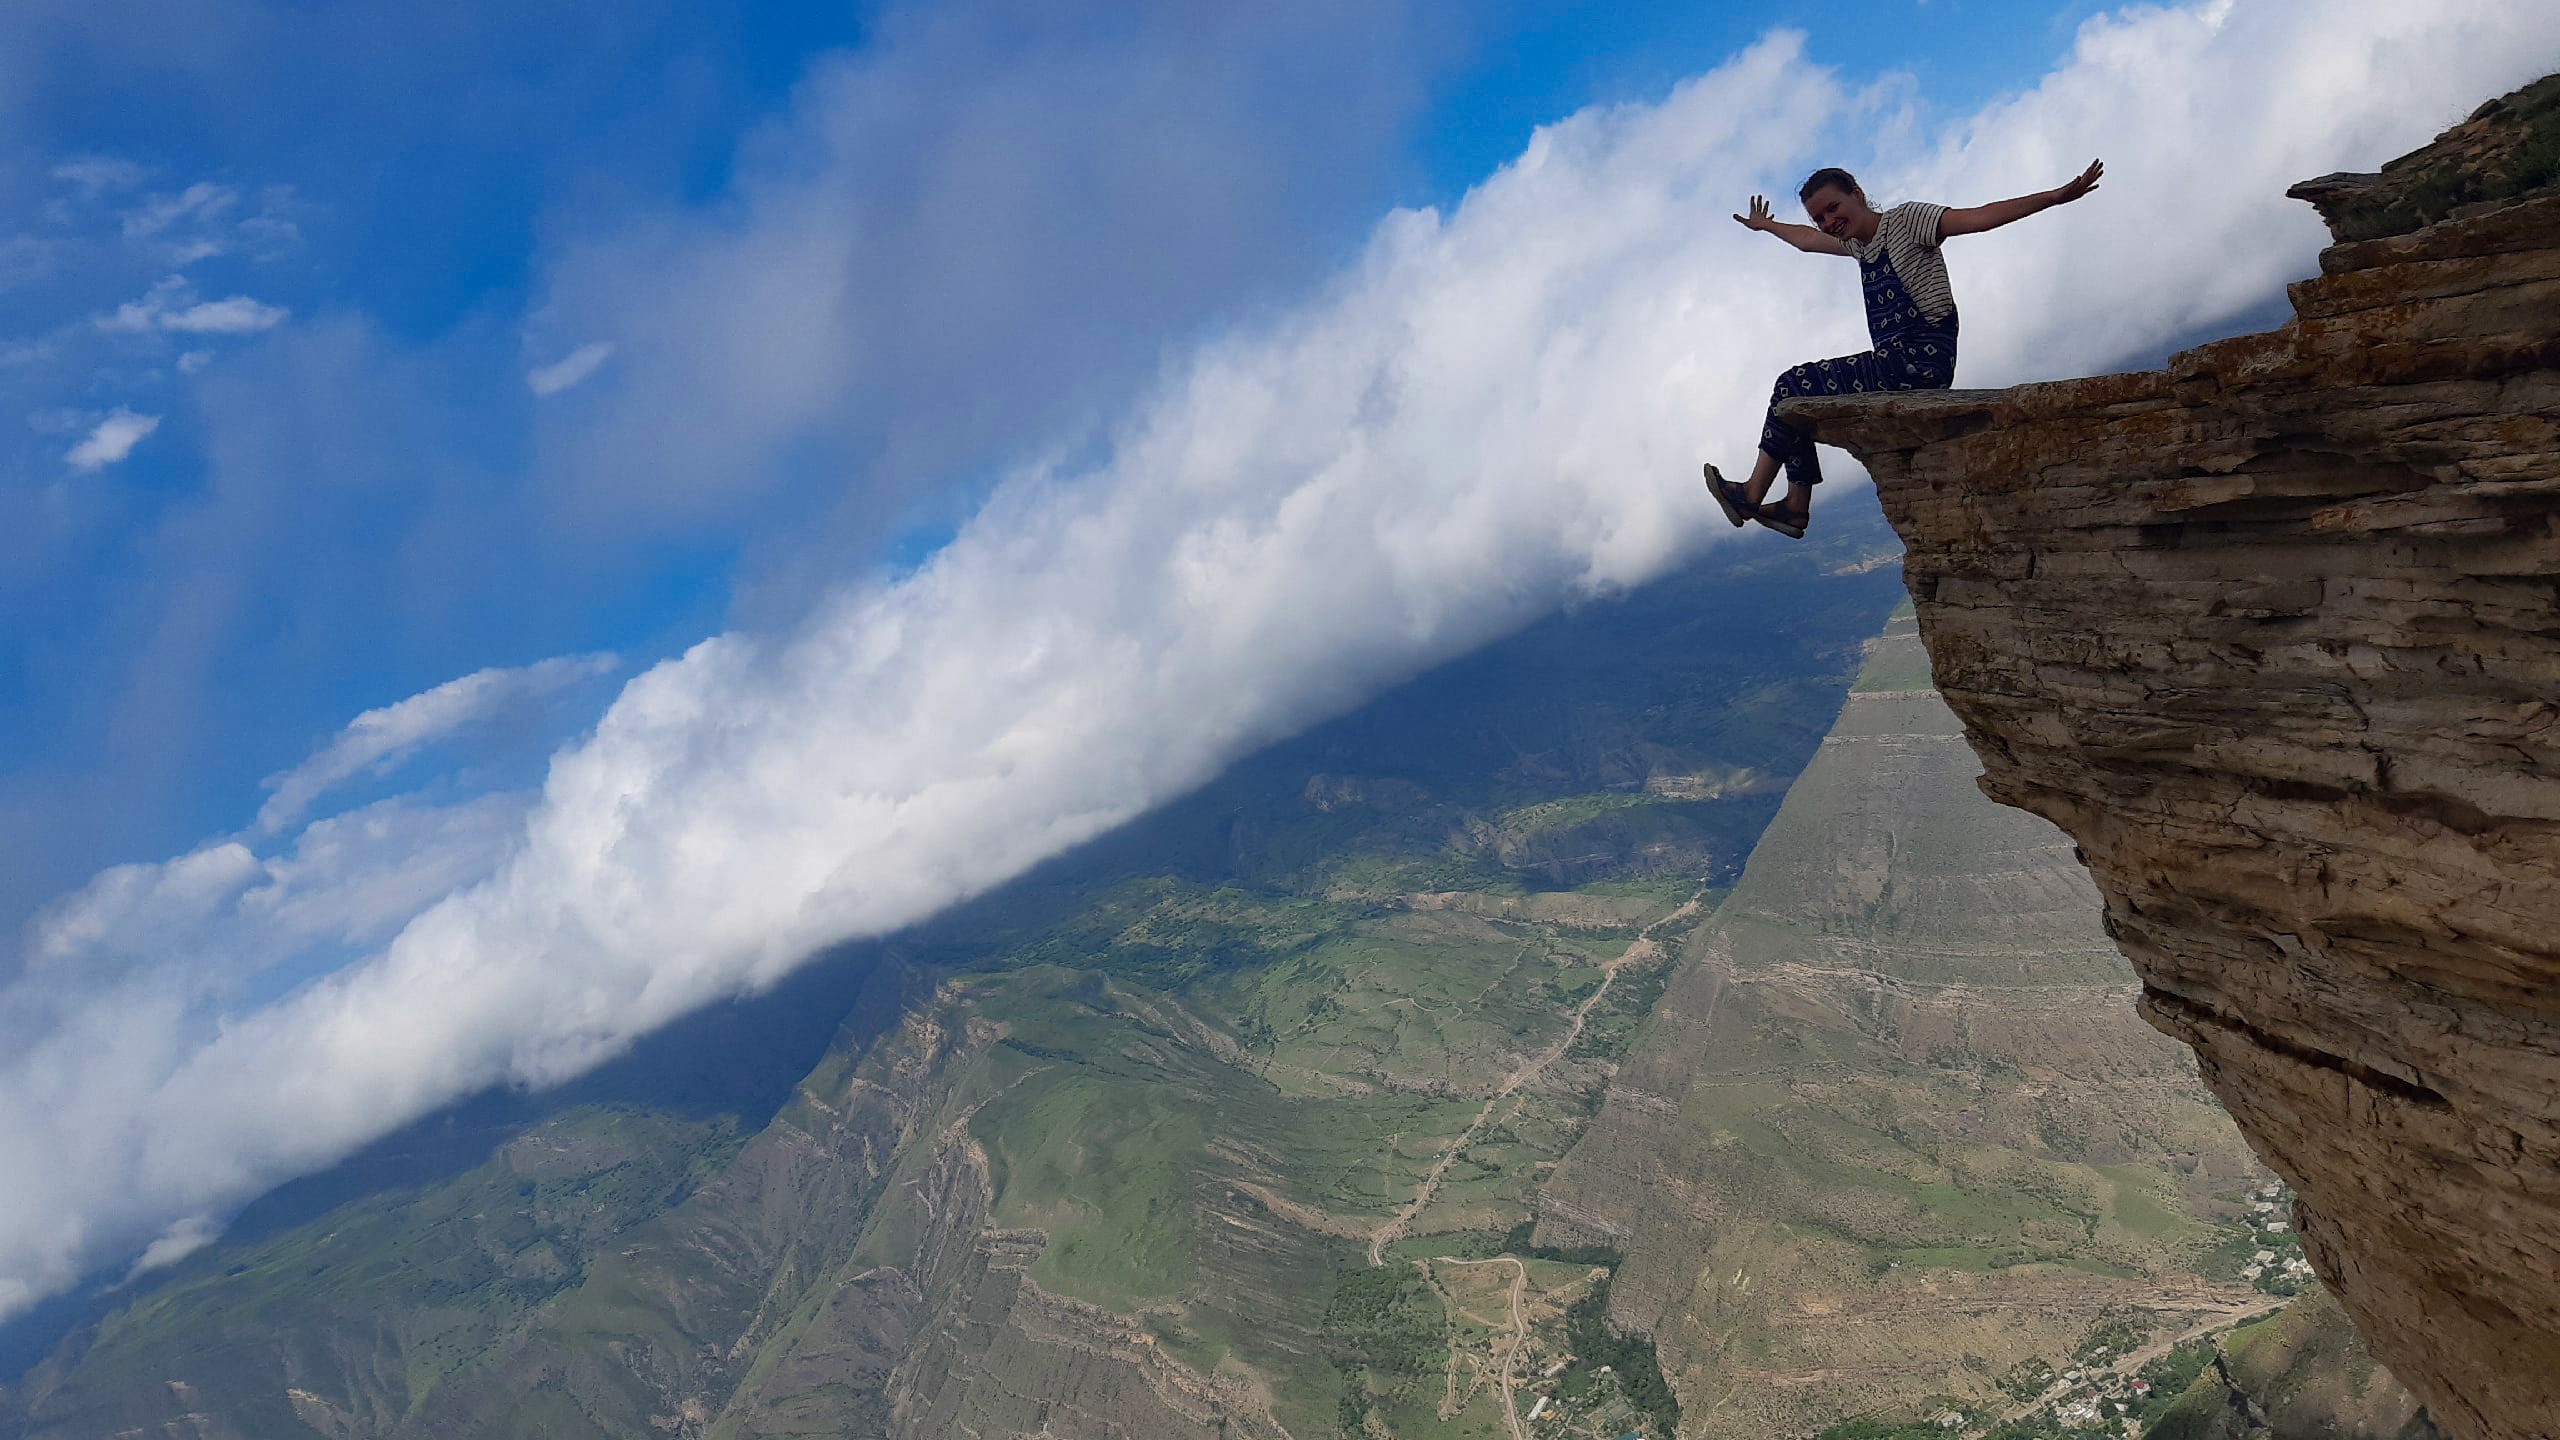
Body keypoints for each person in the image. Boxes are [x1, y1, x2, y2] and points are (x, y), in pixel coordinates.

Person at [1705, 160, 2104, 538]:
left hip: (1919, 362)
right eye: (1821, 217)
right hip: (1897, 364)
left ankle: (1757, 496)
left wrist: (2054, 196)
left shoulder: (1907, 221)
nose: (1828, 222)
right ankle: (1793, 506)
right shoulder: (1859, 246)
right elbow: (1808, 241)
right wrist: (1768, 226)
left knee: (1793, 384)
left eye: (1833, 208)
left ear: (1857, 194)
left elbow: (1980, 217)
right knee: (1795, 399)